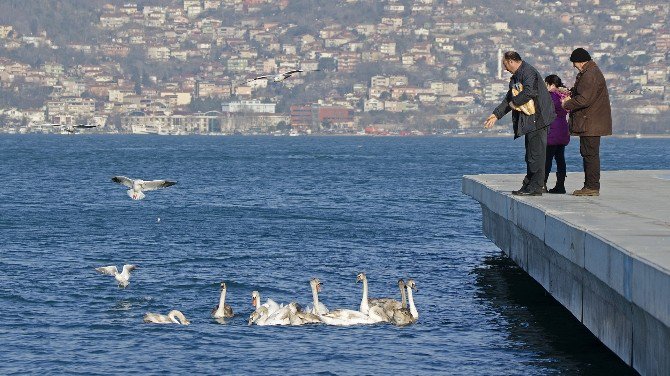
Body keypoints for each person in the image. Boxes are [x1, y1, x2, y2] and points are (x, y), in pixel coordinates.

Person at [485, 51, 556, 196]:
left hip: (538, 119)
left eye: (505, 65)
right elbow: (509, 97)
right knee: (530, 154)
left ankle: (536, 187)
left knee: (536, 154)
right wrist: (496, 114)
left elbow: (530, 92)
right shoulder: (517, 76)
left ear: (511, 61)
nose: (505, 69)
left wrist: (513, 103)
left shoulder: (528, 72)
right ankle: (528, 185)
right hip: (530, 120)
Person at [562, 48, 612, 196]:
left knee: (590, 154)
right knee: (589, 154)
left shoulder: (590, 75)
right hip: (591, 122)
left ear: (581, 61)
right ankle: (590, 186)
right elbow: (584, 93)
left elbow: (584, 99)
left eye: (574, 63)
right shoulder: (591, 72)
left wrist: (567, 104)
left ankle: (591, 187)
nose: (574, 66)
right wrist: (570, 92)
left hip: (590, 122)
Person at [543, 74, 570, 194]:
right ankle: (560, 185)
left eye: (546, 84)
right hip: (563, 129)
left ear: (552, 84)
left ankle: (542, 183)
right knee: (560, 158)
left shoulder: (550, 97)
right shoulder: (565, 95)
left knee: (547, 159)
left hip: (552, 130)